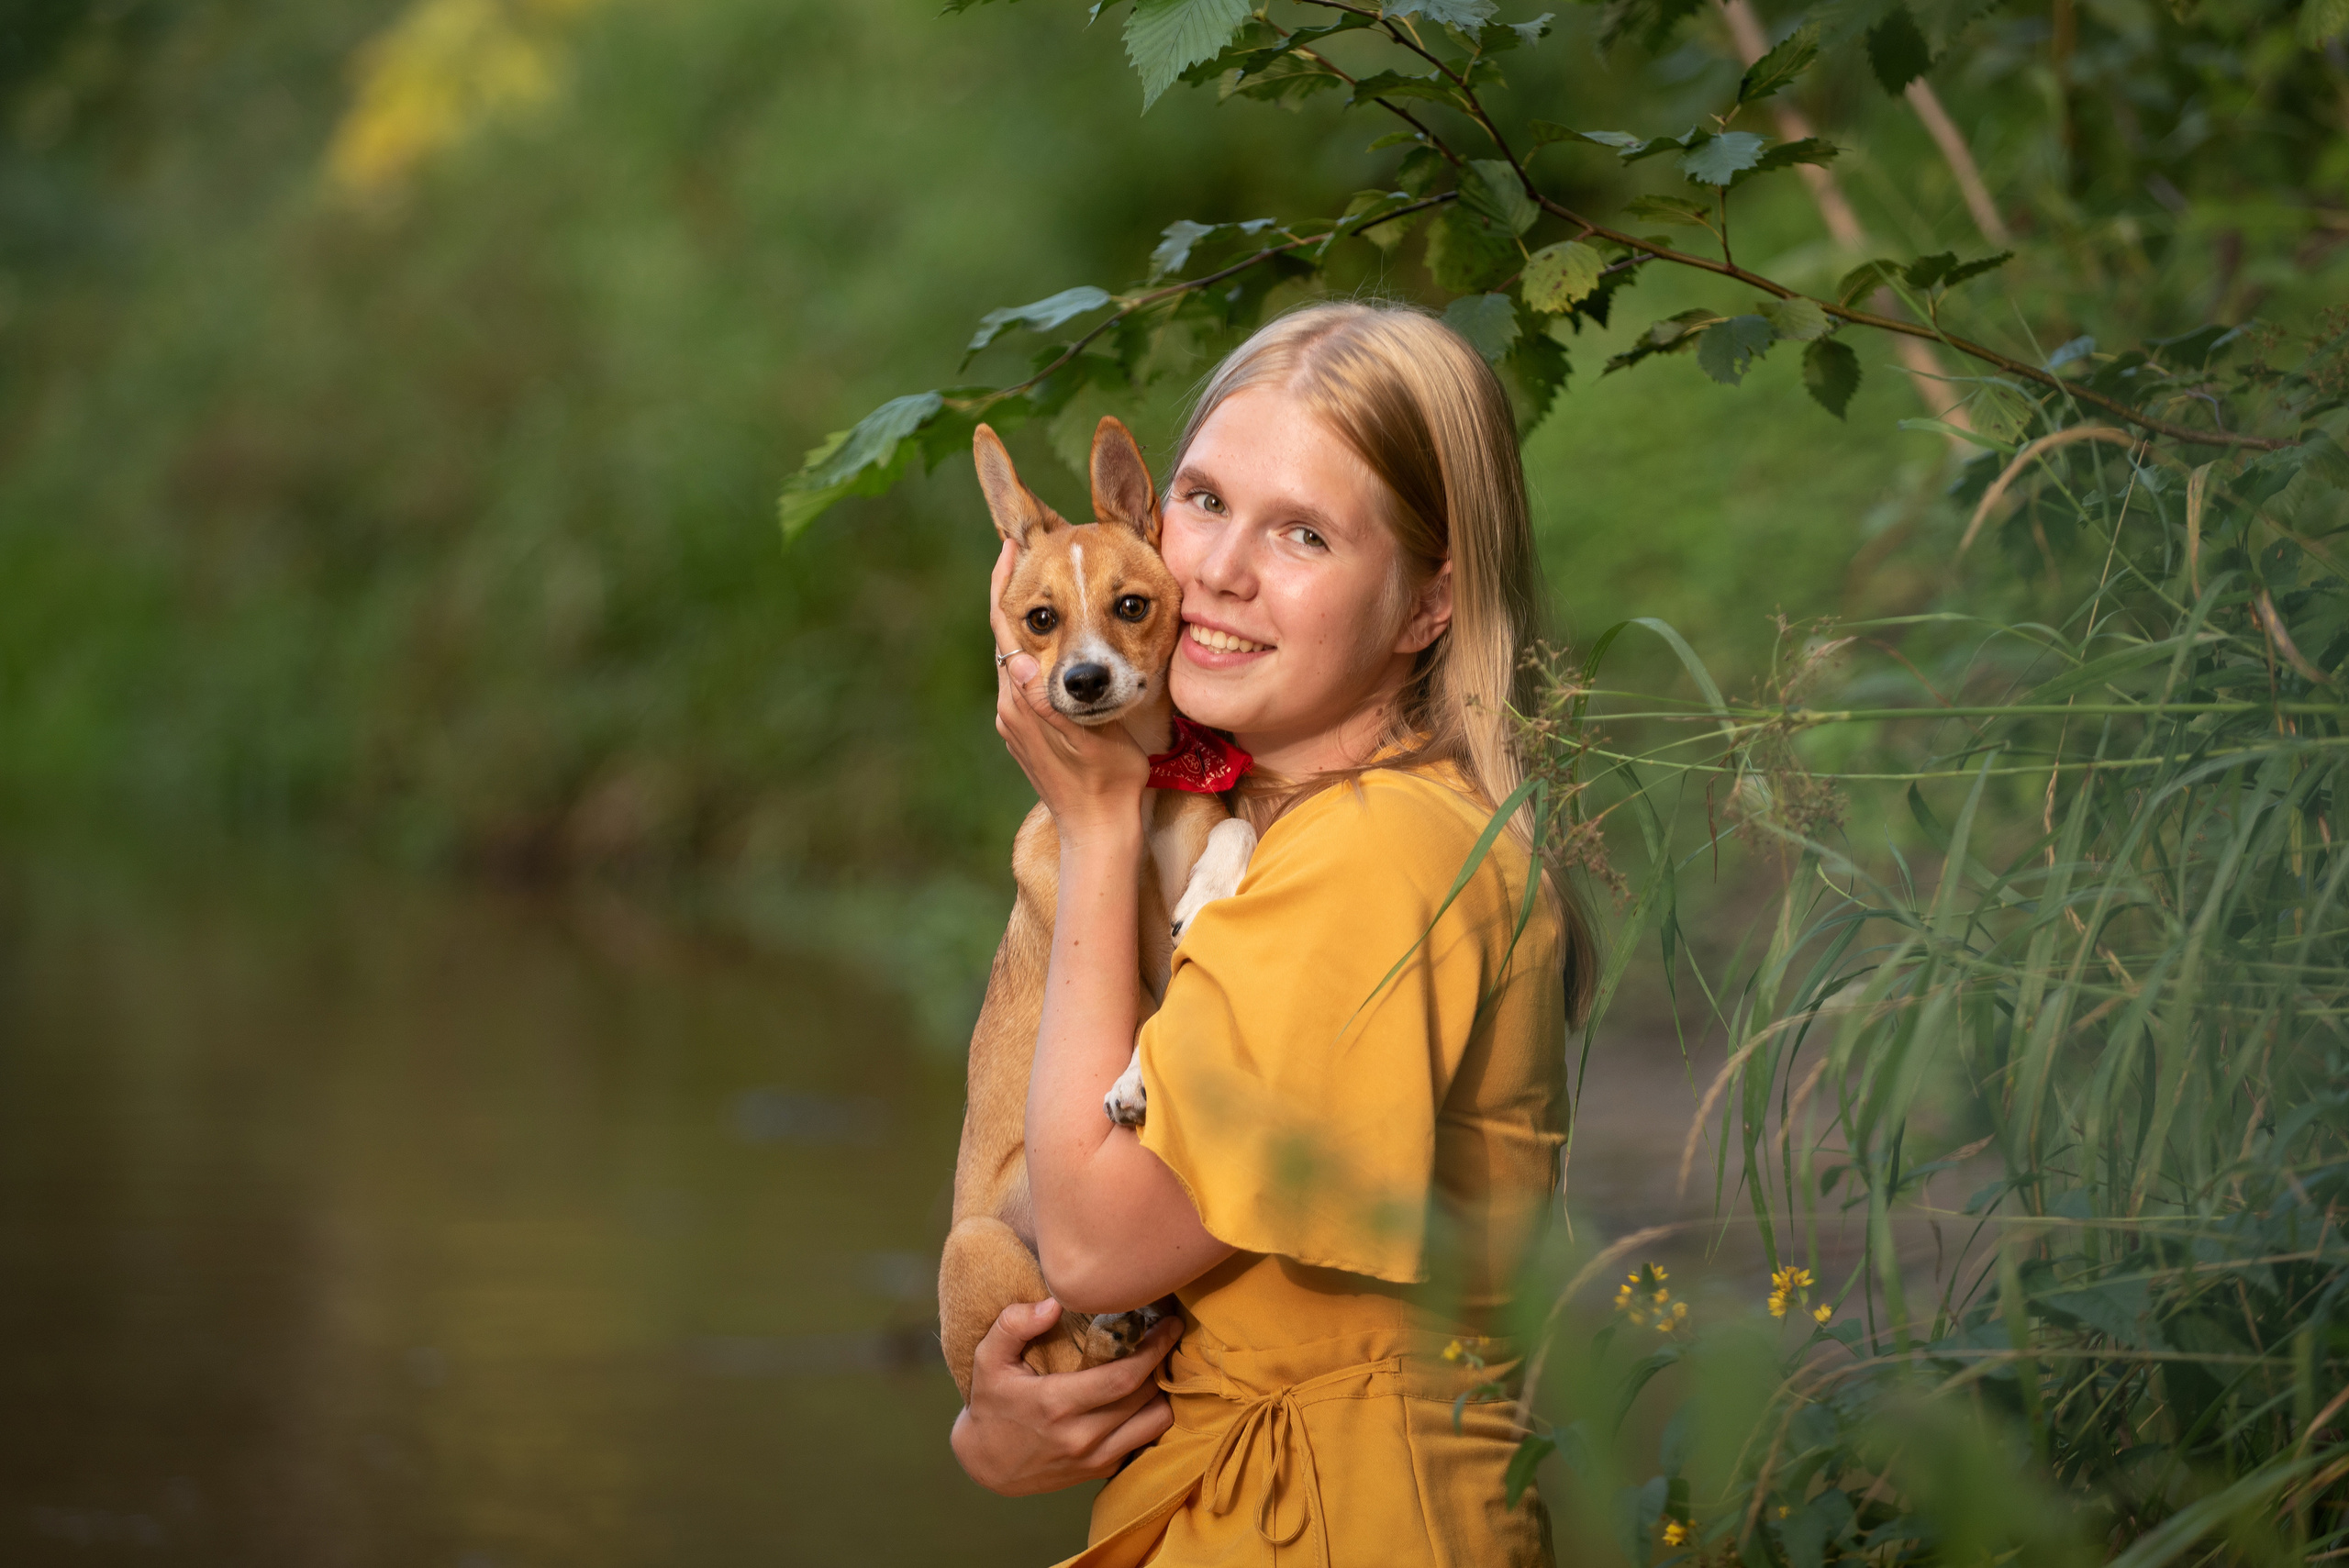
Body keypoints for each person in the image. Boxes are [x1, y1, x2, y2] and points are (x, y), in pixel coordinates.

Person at [954, 301, 1594, 1567]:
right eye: (1202, 502)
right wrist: (1005, 1417)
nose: (1217, 573)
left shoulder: (1371, 857)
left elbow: (1094, 1244)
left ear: (1426, 606)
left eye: (1304, 532)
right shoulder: (1273, 829)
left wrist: (1095, 828)